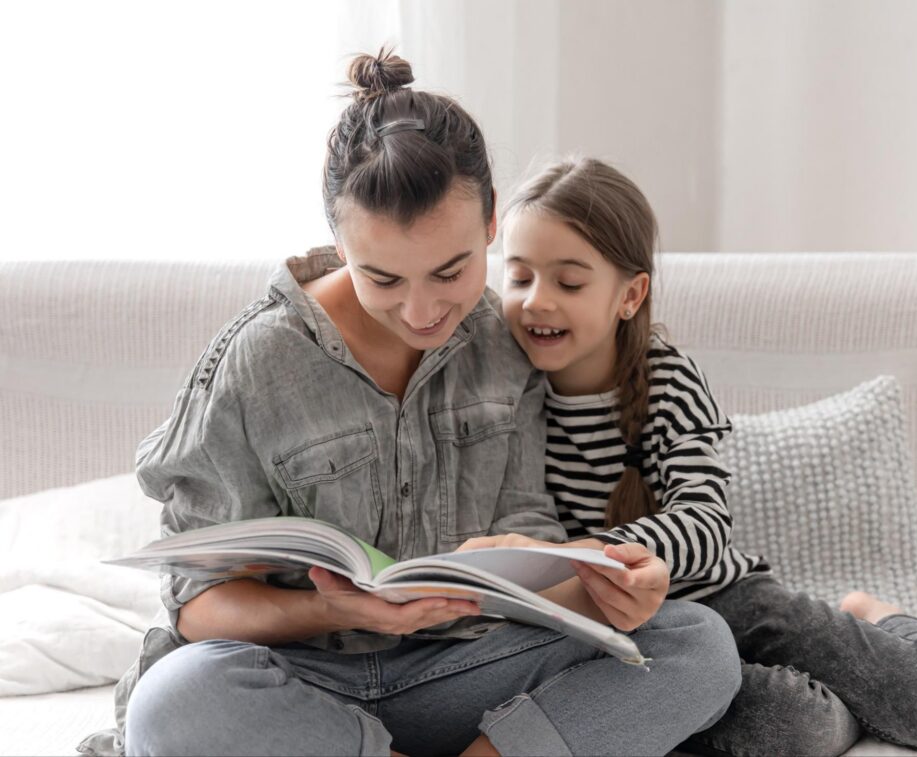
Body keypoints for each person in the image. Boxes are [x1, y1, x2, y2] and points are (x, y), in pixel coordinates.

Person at [78, 53, 744, 757]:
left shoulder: (504, 340)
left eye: (451, 271)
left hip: (464, 673)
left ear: (493, 225)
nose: (423, 310)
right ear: (340, 245)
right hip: (309, 685)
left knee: (695, 642)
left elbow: (528, 533)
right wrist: (330, 606)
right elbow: (199, 608)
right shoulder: (256, 362)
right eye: (383, 277)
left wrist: (595, 586)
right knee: (174, 699)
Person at [474, 155, 917, 756]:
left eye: (569, 282)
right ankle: (854, 693)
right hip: (635, 635)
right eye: (519, 277)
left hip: (728, 599)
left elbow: (705, 521)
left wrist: (598, 553)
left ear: (630, 295)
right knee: (799, 727)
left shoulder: (668, 381)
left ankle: (876, 617)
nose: (537, 302)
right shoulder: (508, 391)